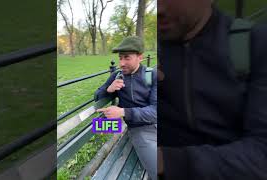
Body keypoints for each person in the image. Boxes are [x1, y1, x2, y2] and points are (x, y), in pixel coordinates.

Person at [158, 0, 267, 179]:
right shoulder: (150, 58)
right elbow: (110, 118)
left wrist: (166, 161)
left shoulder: (256, 44)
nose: (158, 9)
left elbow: (262, 155)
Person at [95, 36, 157, 179]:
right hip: (141, 130)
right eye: (120, 58)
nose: (121, 63)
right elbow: (97, 96)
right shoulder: (117, 75)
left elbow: (155, 111)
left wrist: (122, 111)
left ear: (140, 57)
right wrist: (108, 89)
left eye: (127, 58)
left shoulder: (151, 75)